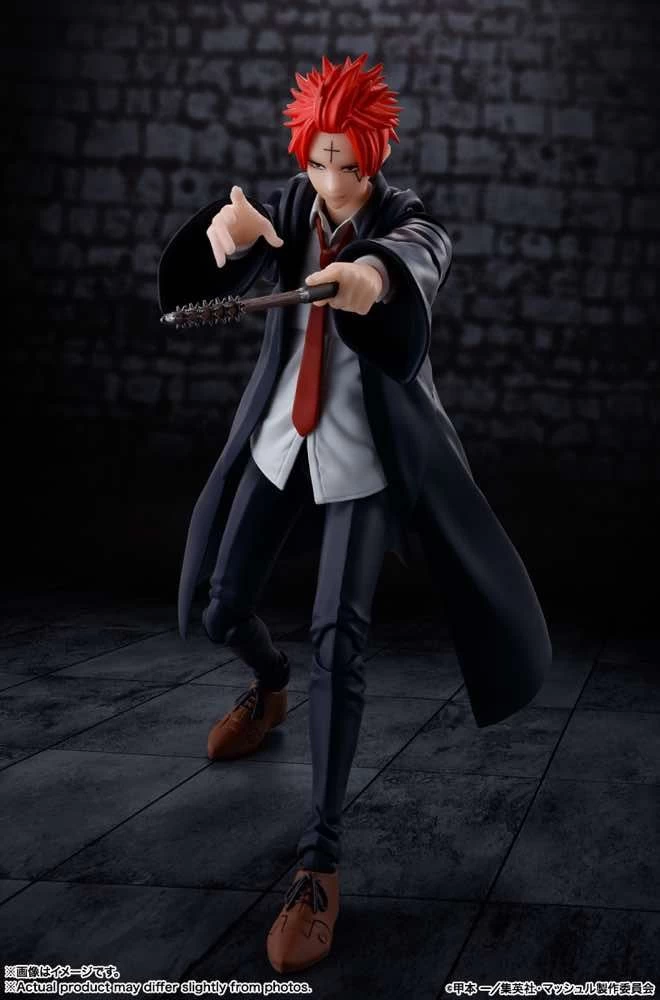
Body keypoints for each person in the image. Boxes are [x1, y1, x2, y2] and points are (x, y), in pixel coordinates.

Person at [157, 53, 552, 974]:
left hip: (363, 459)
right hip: (280, 444)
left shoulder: (407, 220)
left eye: (348, 163)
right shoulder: (292, 208)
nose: (331, 180)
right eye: (318, 160)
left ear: (375, 158)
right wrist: (228, 235)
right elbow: (228, 251)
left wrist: (371, 275)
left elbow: (415, 258)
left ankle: (319, 865)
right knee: (221, 606)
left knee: (342, 639)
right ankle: (269, 684)